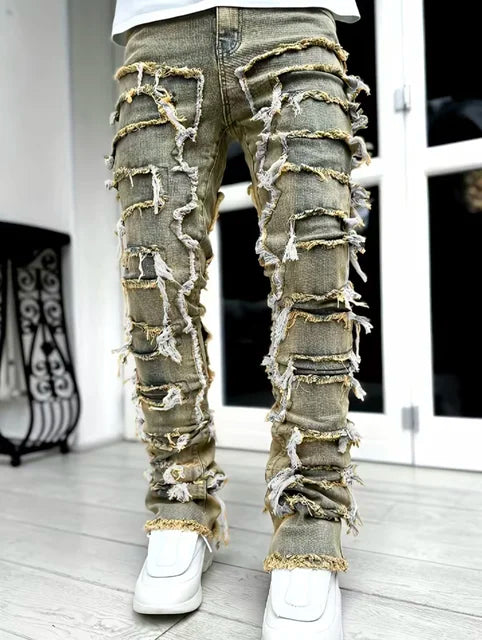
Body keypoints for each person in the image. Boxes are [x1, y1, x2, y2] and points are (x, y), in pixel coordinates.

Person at [105, 1, 371, 637]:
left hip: (293, 22)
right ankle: (180, 501)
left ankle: (311, 522)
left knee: (316, 278)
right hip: (158, 32)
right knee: (155, 283)